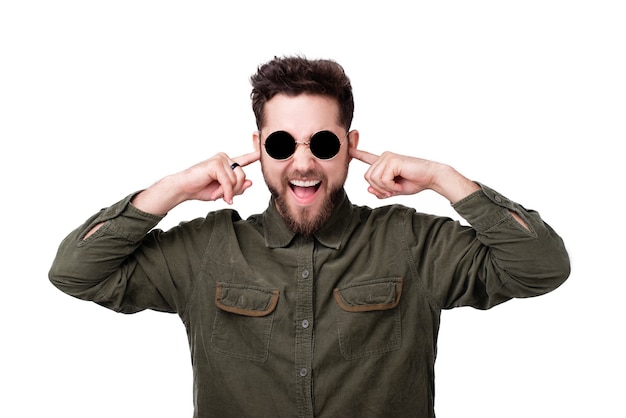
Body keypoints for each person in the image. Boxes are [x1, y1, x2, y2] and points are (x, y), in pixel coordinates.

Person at [49, 55, 570, 418]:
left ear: (350, 145)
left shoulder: (413, 243)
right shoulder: (206, 250)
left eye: (322, 142)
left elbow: (541, 265)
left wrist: (442, 177)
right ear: (257, 147)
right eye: (281, 143)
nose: (303, 163)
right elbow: (76, 271)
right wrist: (176, 187)